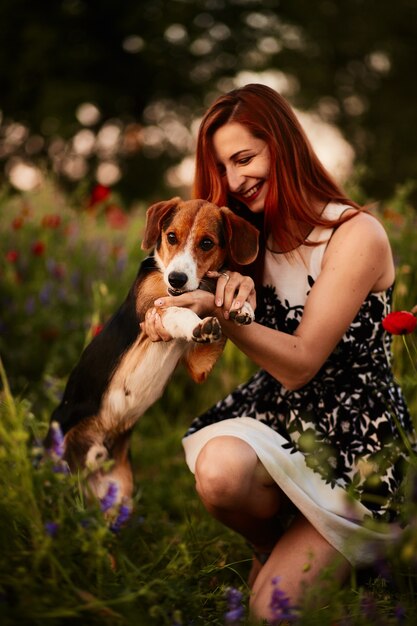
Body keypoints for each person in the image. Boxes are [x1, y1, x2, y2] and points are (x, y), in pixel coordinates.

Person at [142, 83, 414, 622]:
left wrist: (224, 316)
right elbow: (171, 272)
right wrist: (193, 298)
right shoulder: (244, 238)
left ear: (284, 145)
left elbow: (301, 362)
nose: (237, 180)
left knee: (271, 610)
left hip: (356, 444)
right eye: (225, 168)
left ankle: (357, 558)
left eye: (246, 158)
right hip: (282, 421)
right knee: (220, 472)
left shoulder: (355, 234)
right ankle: (279, 542)